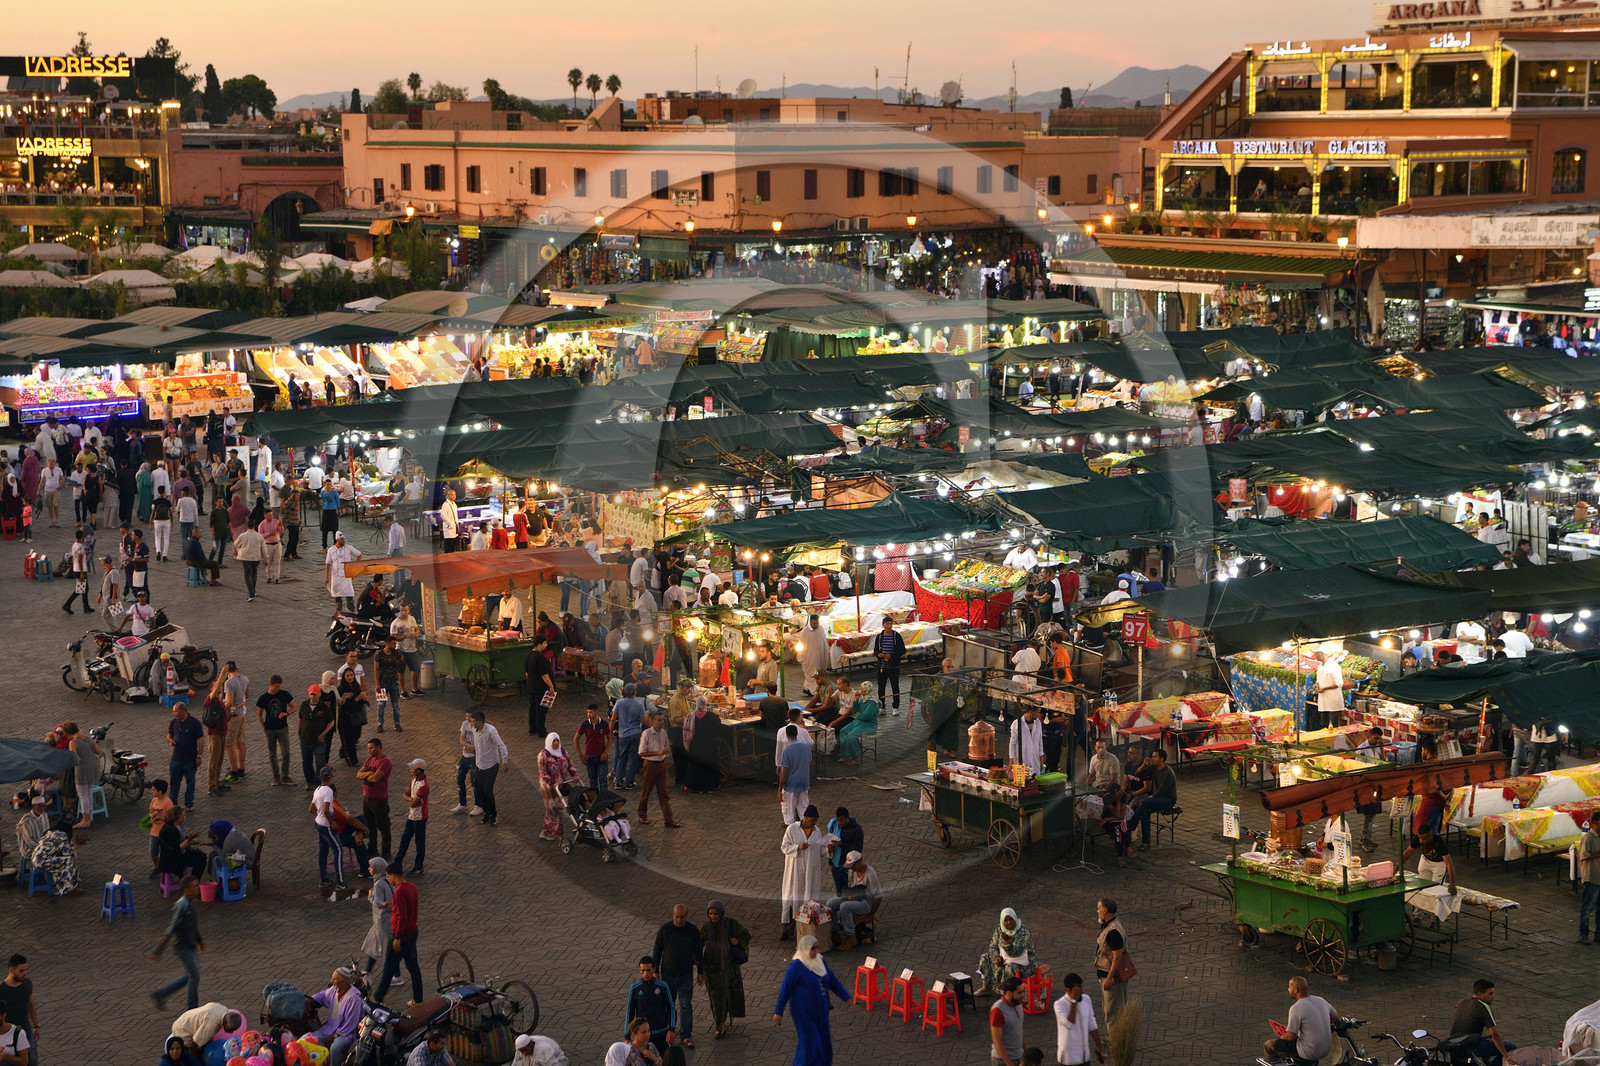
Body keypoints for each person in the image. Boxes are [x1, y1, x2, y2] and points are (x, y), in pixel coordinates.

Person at [772, 937, 850, 1066]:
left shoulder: (819, 961)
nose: (815, 951)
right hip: (803, 1012)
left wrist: (845, 996)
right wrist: (778, 1012)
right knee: (810, 1041)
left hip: (820, 1009)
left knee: (823, 1039)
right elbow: (786, 989)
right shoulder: (796, 967)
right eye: (812, 949)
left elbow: (830, 979)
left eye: (816, 948)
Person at [149, 876, 205, 1010]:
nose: (197, 888)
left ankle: (160, 993)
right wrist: (158, 951)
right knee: (194, 976)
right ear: (186, 889)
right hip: (182, 946)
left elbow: (193, 924)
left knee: (191, 975)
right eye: (194, 886)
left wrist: (199, 940)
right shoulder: (182, 905)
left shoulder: (192, 901)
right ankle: (191, 1009)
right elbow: (171, 928)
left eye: (197, 885)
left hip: (191, 944)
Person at [652, 906, 703, 1049]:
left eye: (682, 917)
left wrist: (700, 972)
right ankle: (668, 1032)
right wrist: (655, 971)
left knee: (685, 1005)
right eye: (677, 917)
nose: (679, 920)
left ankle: (686, 1036)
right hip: (667, 975)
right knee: (668, 1005)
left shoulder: (692, 931)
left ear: (686, 916)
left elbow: (699, 951)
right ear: (673, 915)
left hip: (685, 975)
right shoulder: (665, 930)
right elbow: (657, 950)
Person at [779, 805, 833, 939]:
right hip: (795, 872)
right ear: (805, 817)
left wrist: (829, 850)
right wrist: (798, 847)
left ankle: (804, 931)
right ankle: (787, 929)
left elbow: (820, 850)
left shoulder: (817, 832)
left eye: (816, 820)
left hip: (811, 872)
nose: (814, 823)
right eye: (812, 820)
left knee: (807, 900)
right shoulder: (792, 829)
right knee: (792, 899)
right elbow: (784, 847)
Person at [374, 866, 423, 1006]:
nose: (388, 880)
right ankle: (418, 999)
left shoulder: (399, 892)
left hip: (402, 934)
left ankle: (378, 998)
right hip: (412, 931)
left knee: (388, 967)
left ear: (392, 875)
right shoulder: (412, 887)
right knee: (413, 967)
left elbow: (401, 916)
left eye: (388, 877)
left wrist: (397, 937)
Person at [701, 901, 750, 1039]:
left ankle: (725, 1017)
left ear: (721, 913)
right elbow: (698, 943)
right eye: (710, 914)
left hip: (730, 969)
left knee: (729, 996)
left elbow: (746, 935)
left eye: (716, 913)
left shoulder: (732, 925)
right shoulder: (706, 928)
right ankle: (720, 1025)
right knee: (716, 998)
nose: (713, 916)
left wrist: (738, 941)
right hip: (712, 971)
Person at [1262, 976, 1336, 1066]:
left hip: (1309, 1051)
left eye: (1290, 987)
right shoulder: (1320, 1000)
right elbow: (1335, 1017)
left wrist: (1283, 1037)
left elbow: (1290, 1037)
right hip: (1325, 1049)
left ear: (1296, 990)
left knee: (1269, 1045)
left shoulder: (1296, 1008)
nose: (1288, 990)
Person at [824, 851, 881, 950]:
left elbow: (878, 897)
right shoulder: (852, 871)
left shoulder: (870, 874)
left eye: (853, 865)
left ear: (860, 861)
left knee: (845, 906)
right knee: (830, 903)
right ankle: (835, 932)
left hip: (865, 903)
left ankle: (850, 936)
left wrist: (871, 915)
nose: (851, 868)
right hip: (853, 897)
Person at [1450, 979, 1514, 1066]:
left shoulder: (1462, 1001)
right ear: (1480, 994)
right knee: (1510, 1047)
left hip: (1454, 1044)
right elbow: (1494, 1035)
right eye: (1490, 994)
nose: (1493, 997)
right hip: (1472, 1046)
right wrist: (1507, 1057)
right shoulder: (1483, 1007)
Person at [312, 966, 366, 1066]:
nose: (331, 981)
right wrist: (311, 1000)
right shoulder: (334, 990)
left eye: (335, 979)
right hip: (329, 1028)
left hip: (346, 1034)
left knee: (335, 1048)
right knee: (307, 1039)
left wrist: (334, 1036)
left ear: (344, 982)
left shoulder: (354, 999)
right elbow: (323, 995)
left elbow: (350, 1025)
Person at [625, 957, 678, 1057]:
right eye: (643, 970)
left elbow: (671, 1007)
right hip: (642, 1036)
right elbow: (629, 1011)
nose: (646, 973)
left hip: (661, 1034)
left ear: (654, 969)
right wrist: (627, 1036)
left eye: (648, 970)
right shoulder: (635, 988)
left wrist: (671, 1029)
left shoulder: (663, 986)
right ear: (639, 970)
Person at [1126, 749, 1177, 850]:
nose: (1152, 759)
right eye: (1152, 756)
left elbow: (1160, 792)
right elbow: (1137, 774)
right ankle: (1146, 842)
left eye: (1155, 757)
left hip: (1168, 800)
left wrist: (1147, 799)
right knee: (1145, 811)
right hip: (1156, 798)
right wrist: (1144, 765)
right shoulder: (1153, 768)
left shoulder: (1168, 773)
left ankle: (1130, 827)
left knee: (1144, 802)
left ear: (1162, 759)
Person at [977, 908, 1036, 996]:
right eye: (1006, 920)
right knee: (985, 958)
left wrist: (1007, 943)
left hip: (1024, 964)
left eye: (1011, 919)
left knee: (1010, 967)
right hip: (1004, 959)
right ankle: (987, 988)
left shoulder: (1023, 932)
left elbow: (1017, 952)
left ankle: (1008, 994)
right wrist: (997, 957)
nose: (1009, 922)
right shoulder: (999, 929)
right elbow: (993, 947)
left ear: (1015, 919)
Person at [1053, 973, 1106, 1066]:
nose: (1081, 991)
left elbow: (1092, 1025)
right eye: (1077, 989)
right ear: (1067, 990)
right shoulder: (1059, 1005)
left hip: (1084, 1057)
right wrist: (1073, 1001)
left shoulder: (1086, 999)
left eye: (1081, 987)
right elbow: (1069, 1024)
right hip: (1068, 1059)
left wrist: (1100, 1048)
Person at [638, 713, 680, 827]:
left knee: (664, 793)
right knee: (646, 791)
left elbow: (666, 746)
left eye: (662, 720)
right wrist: (657, 752)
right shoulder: (646, 734)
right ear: (652, 721)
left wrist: (666, 751)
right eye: (659, 720)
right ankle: (642, 814)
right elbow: (641, 752)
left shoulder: (663, 733)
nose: (661, 722)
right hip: (650, 765)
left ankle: (668, 819)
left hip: (662, 765)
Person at [468, 710, 508, 826]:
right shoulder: (474, 730)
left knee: (487, 790)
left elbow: (501, 745)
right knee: (480, 791)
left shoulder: (491, 731)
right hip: (480, 765)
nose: (472, 724)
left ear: (480, 722)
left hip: (491, 765)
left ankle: (493, 814)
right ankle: (486, 813)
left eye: (473, 722)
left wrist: (504, 762)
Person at [1094, 898, 1130, 1024]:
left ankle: (1114, 1041)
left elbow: (1117, 957)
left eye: (1099, 908)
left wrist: (1109, 978)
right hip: (1107, 975)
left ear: (1105, 911)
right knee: (1109, 1009)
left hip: (1112, 977)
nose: (1097, 911)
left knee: (1112, 1013)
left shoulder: (1113, 931)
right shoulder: (1112, 925)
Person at [537, 733, 578, 841]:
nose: (556, 743)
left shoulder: (563, 752)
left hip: (560, 785)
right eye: (553, 741)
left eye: (557, 741)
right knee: (555, 808)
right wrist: (551, 783)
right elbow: (543, 772)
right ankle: (560, 835)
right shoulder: (543, 755)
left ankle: (544, 831)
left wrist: (574, 775)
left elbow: (570, 764)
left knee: (553, 809)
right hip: (548, 786)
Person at [358, 738, 393, 862]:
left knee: (383, 826)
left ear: (378, 747)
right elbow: (358, 775)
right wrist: (369, 774)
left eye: (371, 748)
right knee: (370, 824)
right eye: (368, 748)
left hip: (379, 799)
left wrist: (368, 774)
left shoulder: (385, 761)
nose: (369, 751)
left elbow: (376, 778)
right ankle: (372, 848)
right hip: (367, 797)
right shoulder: (369, 760)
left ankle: (386, 851)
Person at [1, 956, 38, 1066]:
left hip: (26, 1031)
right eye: (21, 970)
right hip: (10, 1035)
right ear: (11, 970)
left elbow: (31, 1004)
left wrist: (36, 1025)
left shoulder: (27, 984)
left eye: (26, 970)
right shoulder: (2, 990)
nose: (25, 973)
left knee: (32, 1062)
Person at [395, 759, 430, 875]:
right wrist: (411, 800)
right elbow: (406, 796)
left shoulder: (424, 785)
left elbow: (413, 802)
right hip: (411, 816)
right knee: (404, 840)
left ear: (419, 770)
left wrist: (411, 800)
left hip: (420, 817)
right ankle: (397, 862)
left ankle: (419, 866)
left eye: (413, 768)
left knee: (419, 842)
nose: (411, 770)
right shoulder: (413, 780)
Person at [167, 702, 204, 810]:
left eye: (175, 711)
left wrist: (199, 755)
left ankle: (189, 803)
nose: (173, 713)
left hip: (190, 760)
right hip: (176, 759)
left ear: (183, 711)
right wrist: (171, 740)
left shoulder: (195, 723)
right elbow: (169, 735)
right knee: (174, 782)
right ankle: (173, 803)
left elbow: (201, 740)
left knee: (190, 782)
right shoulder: (174, 722)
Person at [682, 697, 723, 794]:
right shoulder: (712, 716)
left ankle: (695, 786)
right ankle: (710, 786)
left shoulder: (690, 717)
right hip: (709, 746)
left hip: (696, 746)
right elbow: (718, 729)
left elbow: (686, 732)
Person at [1402, 825, 1457, 893]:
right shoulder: (1417, 839)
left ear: (1430, 836)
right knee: (1423, 886)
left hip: (1439, 864)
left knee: (1435, 889)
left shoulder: (1439, 842)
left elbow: (1448, 863)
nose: (1421, 841)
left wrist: (1452, 884)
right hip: (1426, 860)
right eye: (1420, 838)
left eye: (1424, 839)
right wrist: (1396, 869)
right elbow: (1407, 853)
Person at [27, 828, 80, 897]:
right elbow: (67, 852)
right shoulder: (62, 835)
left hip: (36, 859)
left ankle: (68, 884)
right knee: (69, 860)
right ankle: (67, 888)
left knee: (61, 862)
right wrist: (77, 844)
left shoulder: (50, 833)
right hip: (43, 860)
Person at [834, 684, 878, 766]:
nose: (861, 691)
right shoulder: (863, 700)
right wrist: (856, 701)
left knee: (852, 735)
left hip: (868, 725)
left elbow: (866, 716)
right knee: (843, 731)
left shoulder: (872, 702)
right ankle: (845, 754)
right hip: (858, 722)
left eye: (863, 689)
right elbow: (854, 710)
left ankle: (856, 756)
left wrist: (858, 715)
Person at [613, 684, 647, 791]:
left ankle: (618, 781)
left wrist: (609, 732)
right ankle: (629, 782)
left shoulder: (619, 702)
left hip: (623, 734)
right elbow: (643, 721)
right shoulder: (639, 704)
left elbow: (613, 718)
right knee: (633, 758)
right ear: (635, 693)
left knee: (622, 757)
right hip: (635, 733)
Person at [777, 724, 812, 825]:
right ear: (797, 734)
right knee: (804, 809)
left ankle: (791, 830)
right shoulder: (806, 747)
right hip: (804, 783)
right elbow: (810, 764)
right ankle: (806, 828)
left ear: (787, 736)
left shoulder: (787, 751)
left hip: (791, 785)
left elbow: (785, 772)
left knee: (788, 811)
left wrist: (780, 788)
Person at [990, 977, 1028, 1066]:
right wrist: (1009, 1064)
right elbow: (997, 1041)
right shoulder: (998, 1011)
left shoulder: (1018, 1004)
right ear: (1009, 993)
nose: (1023, 995)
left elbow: (1019, 1029)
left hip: (1019, 1056)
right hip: (1003, 1061)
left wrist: (1025, 1053)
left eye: (1023, 991)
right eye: (1019, 992)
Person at [525, 636, 556, 738]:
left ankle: (532, 728)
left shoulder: (528, 655)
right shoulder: (541, 658)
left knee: (532, 707)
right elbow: (544, 675)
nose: (546, 645)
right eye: (545, 643)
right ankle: (541, 730)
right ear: (539, 644)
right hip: (540, 687)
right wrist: (551, 686)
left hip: (531, 686)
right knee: (541, 709)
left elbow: (526, 673)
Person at [392, 604, 425, 697]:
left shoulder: (412, 619)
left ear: (409, 610)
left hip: (412, 648)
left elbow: (416, 627)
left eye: (405, 610)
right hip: (401, 650)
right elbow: (393, 636)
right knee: (401, 671)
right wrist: (406, 636)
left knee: (416, 669)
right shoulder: (395, 623)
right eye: (402, 610)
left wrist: (417, 632)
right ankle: (402, 691)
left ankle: (414, 689)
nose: (403, 612)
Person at [874, 618, 906, 712]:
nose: (889, 626)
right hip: (882, 666)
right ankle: (882, 706)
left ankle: (895, 707)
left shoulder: (896, 636)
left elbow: (902, 650)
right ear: (883, 625)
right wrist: (879, 655)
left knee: (895, 686)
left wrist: (891, 656)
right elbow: (875, 650)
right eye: (887, 624)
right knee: (881, 686)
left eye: (890, 624)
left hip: (894, 666)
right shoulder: (879, 637)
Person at [794, 614, 829, 697]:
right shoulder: (805, 632)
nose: (816, 625)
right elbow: (801, 645)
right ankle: (813, 690)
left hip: (819, 655)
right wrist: (801, 657)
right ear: (810, 622)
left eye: (817, 623)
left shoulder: (820, 629)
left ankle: (807, 689)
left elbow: (823, 641)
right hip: (809, 657)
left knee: (817, 672)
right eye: (814, 623)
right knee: (812, 674)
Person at [1311, 650, 1345, 731]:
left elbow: (1339, 683)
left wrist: (1324, 688)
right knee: (1323, 723)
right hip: (1323, 700)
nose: (1315, 656)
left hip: (1333, 700)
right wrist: (1316, 685)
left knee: (1333, 725)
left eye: (1316, 654)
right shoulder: (1320, 667)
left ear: (1322, 654)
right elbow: (1319, 679)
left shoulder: (1333, 666)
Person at [1007, 705, 1044, 775]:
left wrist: (1041, 760)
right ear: (1030, 712)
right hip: (1021, 758)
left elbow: (1040, 742)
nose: (1038, 715)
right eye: (1037, 712)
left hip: (1035, 759)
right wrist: (1011, 761)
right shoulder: (1017, 723)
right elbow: (1012, 743)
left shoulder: (1038, 723)